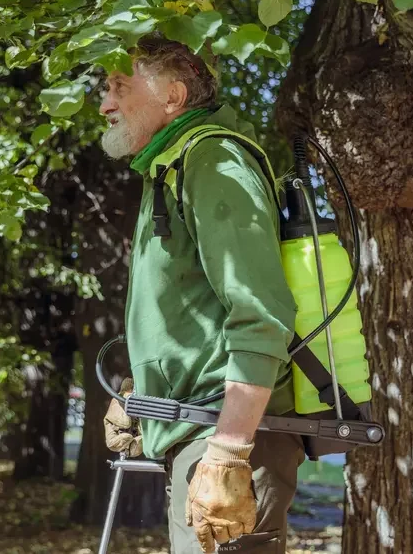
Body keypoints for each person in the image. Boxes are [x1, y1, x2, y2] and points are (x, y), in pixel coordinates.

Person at [100, 35, 304, 554]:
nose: (105, 105)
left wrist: (229, 454)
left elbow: (261, 314)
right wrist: (145, 395)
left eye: (119, 88)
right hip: (203, 434)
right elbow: (196, 322)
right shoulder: (171, 167)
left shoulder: (212, 160)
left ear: (172, 96)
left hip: (226, 441)